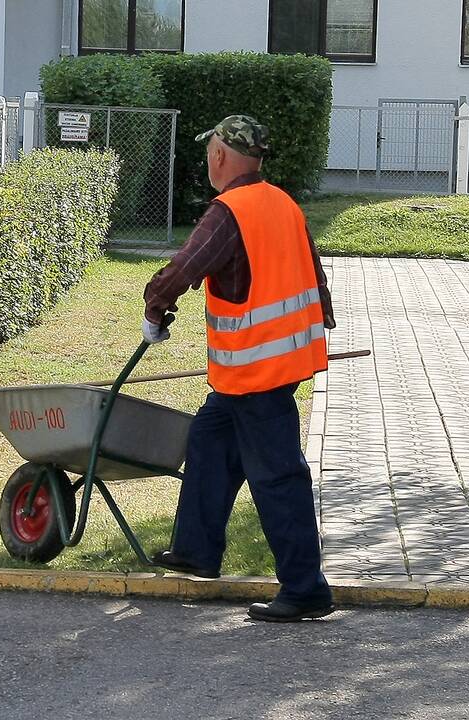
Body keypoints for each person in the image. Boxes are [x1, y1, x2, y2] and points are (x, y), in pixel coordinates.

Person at [142, 115, 337, 623]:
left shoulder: (229, 211)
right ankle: (196, 551)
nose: (209, 157)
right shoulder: (282, 203)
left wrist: (155, 303)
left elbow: (188, 264)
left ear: (221, 156)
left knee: (277, 476)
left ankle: (305, 588)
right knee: (208, 442)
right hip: (266, 367)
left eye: (210, 150)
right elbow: (315, 277)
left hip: (256, 372)